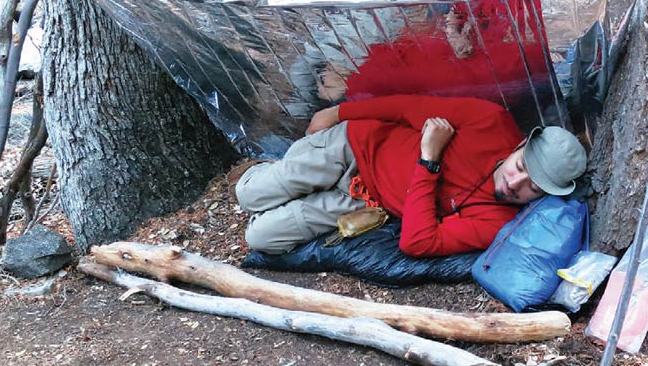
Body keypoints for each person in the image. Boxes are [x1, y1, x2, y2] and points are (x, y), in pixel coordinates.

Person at [236, 95, 587, 257]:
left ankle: (298, 188)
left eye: (533, 190)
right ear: (522, 144)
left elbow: (417, 243)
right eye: (521, 168)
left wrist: (429, 161)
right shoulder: (489, 122)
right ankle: (284, 169)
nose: (514, 184)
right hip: (355, 147)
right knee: (248, 196)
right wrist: (338, 111)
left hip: (363, 200)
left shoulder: (498, 220)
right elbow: (406, 108)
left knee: (261, 237)